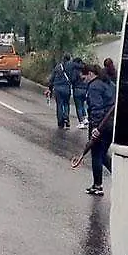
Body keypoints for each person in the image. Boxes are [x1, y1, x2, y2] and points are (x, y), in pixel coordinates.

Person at [77, 64, 116, 195]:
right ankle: (118, 175)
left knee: (96, 155)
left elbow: (96, 108)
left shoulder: (94, 87)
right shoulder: (108, 83)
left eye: (84, 78)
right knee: (103, 154)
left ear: (90, 74)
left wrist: (95, 127)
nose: (84, 81)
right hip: (111, 124)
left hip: (101, 125)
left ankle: (97, 185)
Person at [45, 54, 74, 129]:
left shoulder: (58, 67)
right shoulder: (71, 67)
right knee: (66, 104)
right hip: (67, 88)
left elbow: (52, 79)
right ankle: (66, 118)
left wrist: (49, 88)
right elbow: (73, 78)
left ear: (63, 59)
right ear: (69, 59)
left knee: (59, 105)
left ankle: (60, 122)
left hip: (58, 89)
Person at [70, 56, 88, 129]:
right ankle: (85, 119)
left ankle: (81, 122)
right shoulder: (85, 69)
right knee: (83, 105)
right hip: (85, 89)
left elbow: (73, 79)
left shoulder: (75, 70)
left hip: (77, 89)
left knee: (78, 107)